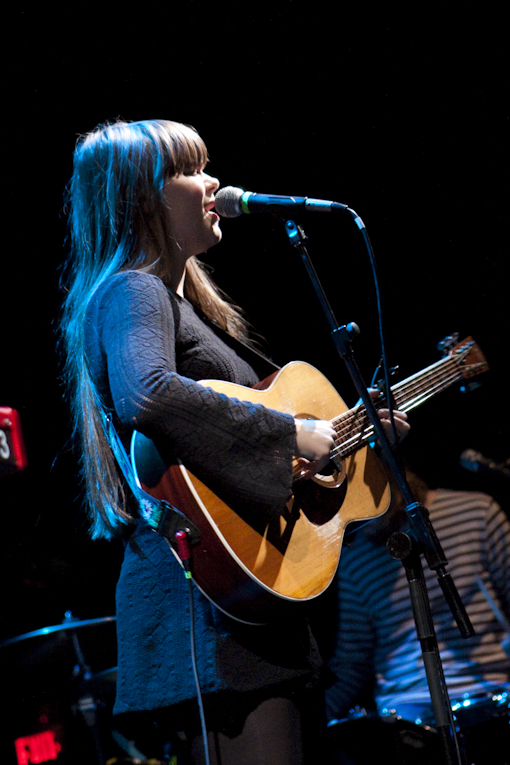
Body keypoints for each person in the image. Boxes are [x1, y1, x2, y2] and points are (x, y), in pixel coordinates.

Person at [59, 118, 409, 765]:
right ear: (146, 198)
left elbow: (240, 448)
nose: (213, 181)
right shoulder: (133, 288)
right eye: (193, 169)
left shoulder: (184, 303)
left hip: (248, 604)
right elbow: (149, 392)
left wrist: (354, 440)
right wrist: (294, 433)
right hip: (207, 611)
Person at [323, 463, 510, 765]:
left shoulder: (477, 512)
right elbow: (351, 662)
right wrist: (308, 719)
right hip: (404, 720)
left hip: (489, 699)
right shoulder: (356, 556)